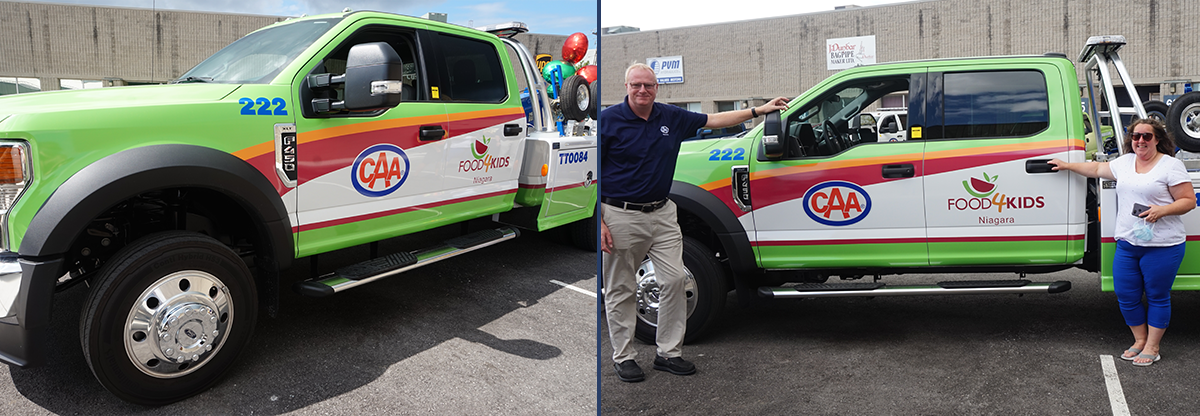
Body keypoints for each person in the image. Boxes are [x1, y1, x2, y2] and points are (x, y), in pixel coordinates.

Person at [600, 63, 788, 382]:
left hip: (662, 213)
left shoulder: (670, 116)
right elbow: (589, 173)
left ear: (657, 88)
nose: (642, 90)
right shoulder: (609, 121)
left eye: (648, 85)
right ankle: (624, 356)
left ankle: (668, 353)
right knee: (621, 288)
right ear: (626, 86)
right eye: (636, 85)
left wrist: (758, 110)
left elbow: (714, 119)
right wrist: (599, 221)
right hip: (620, 214)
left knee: (674, 281)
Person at [1049, 118, 1195, 367]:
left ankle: (1153, 346)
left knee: (1157, 296)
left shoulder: (1171, 166)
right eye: (1135, 136)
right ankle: (1139, 340)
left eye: (1146, 136)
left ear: (1157, 139)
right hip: (1128, 243)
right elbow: (1095, 170)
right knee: (1126, 295)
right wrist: (1066, 165)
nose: (1140, 141)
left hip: (1162, 246)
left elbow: (1188, 201)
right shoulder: (1125, 163)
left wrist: (1162, 210)